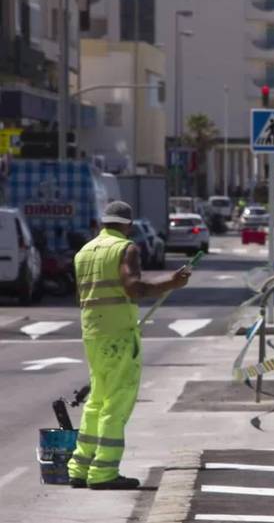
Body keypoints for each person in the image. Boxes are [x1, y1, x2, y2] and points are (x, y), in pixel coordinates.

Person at [67, 202, 191, 490]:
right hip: (119, 336)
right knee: (117, 401)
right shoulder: (127, 249)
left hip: (93, 333)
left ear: (103, 223)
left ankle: (79, 466)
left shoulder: (84, 252)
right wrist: (171, 282)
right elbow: (133, 287)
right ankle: (104, 472)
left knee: (97, 399)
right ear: (128, 224)